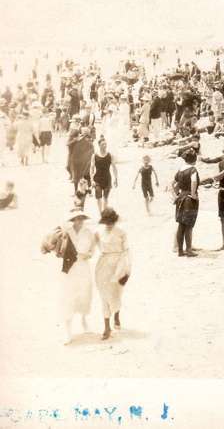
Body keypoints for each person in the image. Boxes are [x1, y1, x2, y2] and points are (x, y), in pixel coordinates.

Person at [93, 208, 131, 340]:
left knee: (117, 292)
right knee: (104, 294)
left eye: (111, 221)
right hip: (103, 265)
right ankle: (106, 327)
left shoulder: (121, 233)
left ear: (115, 221)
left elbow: (126, 252)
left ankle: (116, 315)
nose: (109, 224)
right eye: (106, 222)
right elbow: (92, 247)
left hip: (118, 264)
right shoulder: (99, 233)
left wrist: (126, 269)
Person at [60, 210, 95, 344]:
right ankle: (67, 330)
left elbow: (92, 250)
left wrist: (89, 255)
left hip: (84, 266)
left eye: (81, 218)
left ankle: (84, 321)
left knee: (85, 294)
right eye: (76, 218)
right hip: (70, 267)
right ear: (72, 220)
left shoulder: (88, 232)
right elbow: (60, 247)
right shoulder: (67, 232)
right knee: (69, 296)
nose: (79, 221)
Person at [173, 149, 200, 257]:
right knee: (189, 225)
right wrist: (193, 194)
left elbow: (174, 184)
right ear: (194, 159)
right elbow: (194, 181)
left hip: (181, 197)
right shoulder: (193, 169)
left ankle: (180, 250)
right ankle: (188, 250)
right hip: (189, 198)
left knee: (181, 224)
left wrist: (176, 195)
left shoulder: (180, 170)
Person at [90, 137, 118, 213]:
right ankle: (100, 213)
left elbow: (114, 168)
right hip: (97, 179)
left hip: (107, 179)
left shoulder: (110, 155)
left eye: (105, 144)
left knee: (105, 197)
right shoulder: (94, 156)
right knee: (98, 197)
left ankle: (104, 212)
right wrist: (91, 180)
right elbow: (92, 168)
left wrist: (116, 178)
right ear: (99, 145)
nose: (105, 146)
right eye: (103, 144)